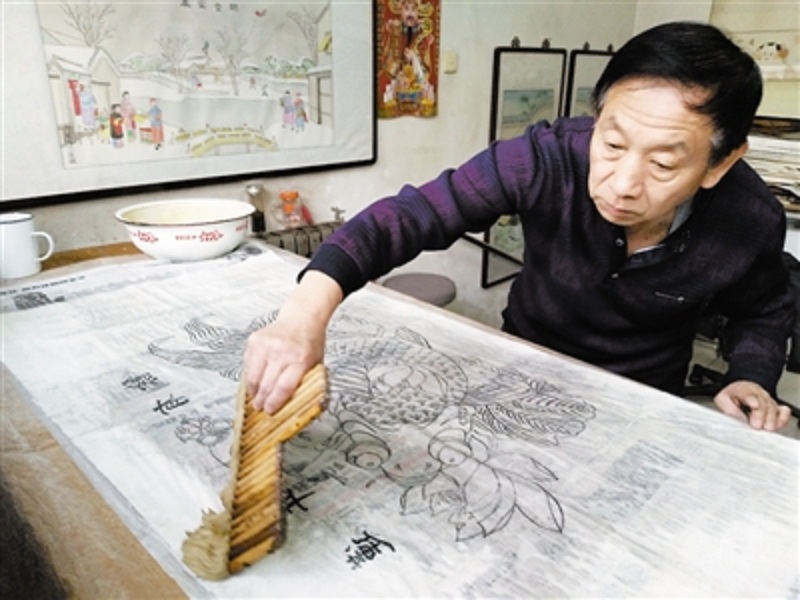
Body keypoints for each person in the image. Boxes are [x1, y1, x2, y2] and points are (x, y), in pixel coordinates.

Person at [244, 21, 795, 432]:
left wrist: (750, 374)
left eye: (663, 164)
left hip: (643, 400)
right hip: (523, 368)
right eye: (612, 143)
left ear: (720, 163)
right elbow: (411, 216)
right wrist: (301, 317)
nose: (624, 183)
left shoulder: (748, 217)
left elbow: (766, 307)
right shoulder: (545, 158)